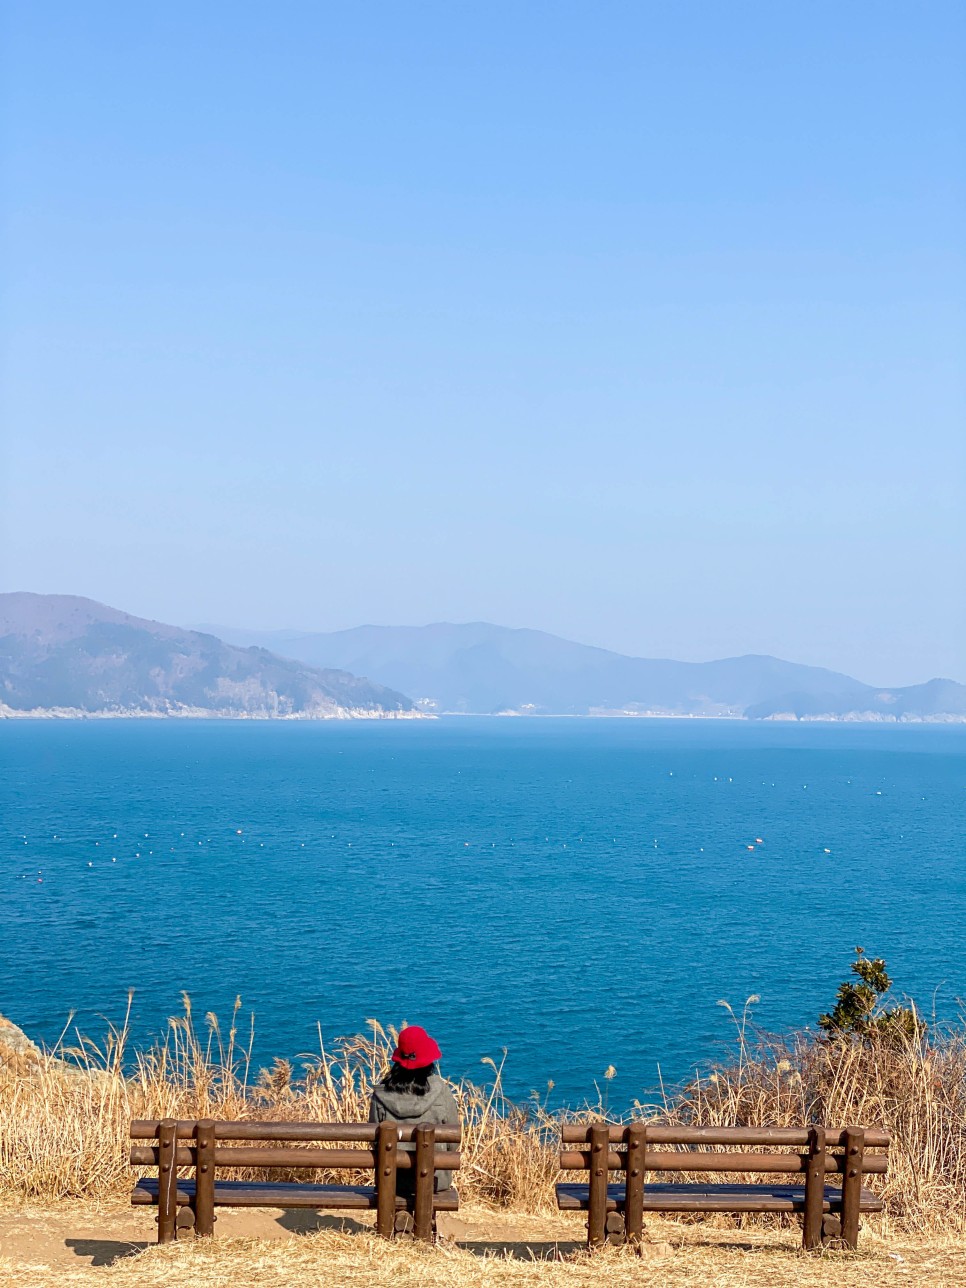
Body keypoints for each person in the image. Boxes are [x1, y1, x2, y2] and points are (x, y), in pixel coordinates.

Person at [368, 1025, 460, 1198]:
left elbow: (373, 1139)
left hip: (391, 1178)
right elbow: (452, 1141)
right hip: (434, 1179)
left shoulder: (381, 1094)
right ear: (428, 1060)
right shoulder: (441, 1090)